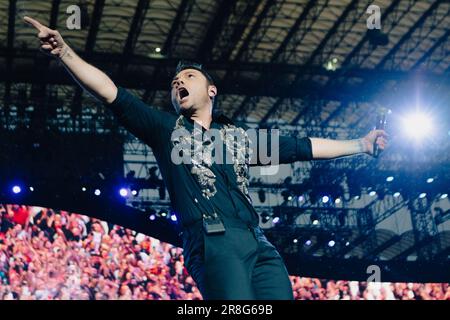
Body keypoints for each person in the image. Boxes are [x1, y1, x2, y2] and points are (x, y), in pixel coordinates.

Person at [24, 16, 388, 300]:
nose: (177, 82)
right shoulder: (166, 131)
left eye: (188, 76)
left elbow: (302, 148)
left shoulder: (240, 141)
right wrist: (65, 53)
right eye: (174, 82)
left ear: (211, 90)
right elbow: (111, 93)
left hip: (259, 244)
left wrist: (361, 144)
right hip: (213, 241)